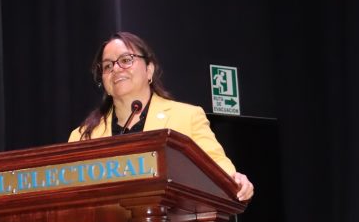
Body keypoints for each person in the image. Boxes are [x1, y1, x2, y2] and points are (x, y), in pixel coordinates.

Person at [68, 31, 254, 202]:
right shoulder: (82, 136)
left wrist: (235, 180)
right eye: (108, 65)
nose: (116, 69)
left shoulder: (187, 117)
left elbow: (219, 168)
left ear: (149, 69)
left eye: (126, 60)